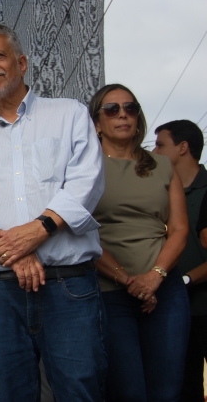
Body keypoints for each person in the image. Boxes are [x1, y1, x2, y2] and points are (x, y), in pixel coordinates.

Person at [0, 24, 107, 401]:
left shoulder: (69, 113)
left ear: (21, 63)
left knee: (79, 389)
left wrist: (38, 230)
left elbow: (87, 181)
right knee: (4, 392)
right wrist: (14, 251)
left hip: (67, 284)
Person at [88, 85, 189, 401]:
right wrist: (129, 281)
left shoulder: (162, 165)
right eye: (112, 109)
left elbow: (179, 229)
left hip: (165, 288)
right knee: (128, 392)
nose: (123, 115)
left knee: (167, 392)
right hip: (110, 291)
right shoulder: (83, 168)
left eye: (130, 108)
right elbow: (81, 232)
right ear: (96, 123)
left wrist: (154, 278)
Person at [153, 120, 207, 402]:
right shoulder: (158, 195)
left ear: (183, 147)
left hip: (200, 303)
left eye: (160, 145)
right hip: (175, 310)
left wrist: (186, 279)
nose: (154, 151)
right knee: (184, 388)